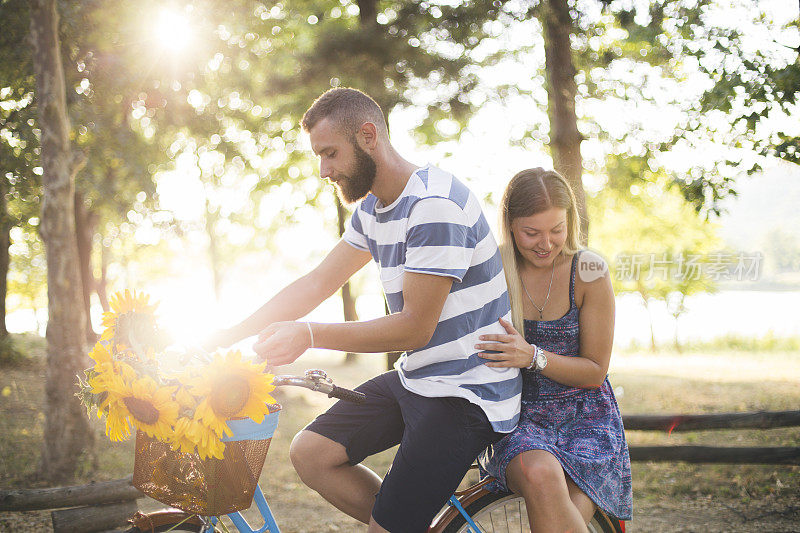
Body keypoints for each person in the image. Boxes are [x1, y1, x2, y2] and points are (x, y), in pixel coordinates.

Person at [205, 88, 521, 533]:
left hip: (468, 391)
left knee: (387, 527)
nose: (323, 170)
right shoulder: (374, 208)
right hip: (422, 376)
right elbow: (317, 282)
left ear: (369, 136)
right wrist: (230, 333)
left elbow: (414, 329)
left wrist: (310, 334)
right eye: (319, 156)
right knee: (311, 452)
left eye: (330, 154)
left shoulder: (434, 206)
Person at [475, 168, 632, 532]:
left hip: (587, 418)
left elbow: (594, 370)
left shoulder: (589, 269)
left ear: (570, 222)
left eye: (556, 230)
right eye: (532, 232)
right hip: (517, 417)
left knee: (565, 520)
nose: (546, 243)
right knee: (541, 473)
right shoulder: (492, 269)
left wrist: (533, 356)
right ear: (511, 225)